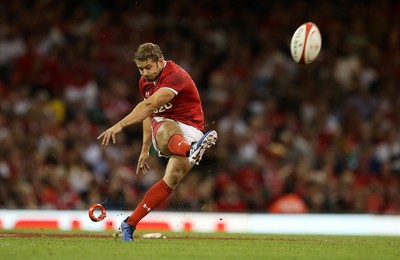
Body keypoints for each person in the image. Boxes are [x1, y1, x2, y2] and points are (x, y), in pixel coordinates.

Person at [97, 42, 218, 241]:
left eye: (148, 67)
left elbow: (150, 104)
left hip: (192, 129)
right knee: (168, 125)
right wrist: (145, 149)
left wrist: (119, 125)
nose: (144, 73)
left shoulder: (175, 75)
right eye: (140, 68)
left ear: (160, 62)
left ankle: (129, 223)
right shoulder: (144, 82)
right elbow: (149, 111)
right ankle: (191, 150)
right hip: (166, 127)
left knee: (173, 178)